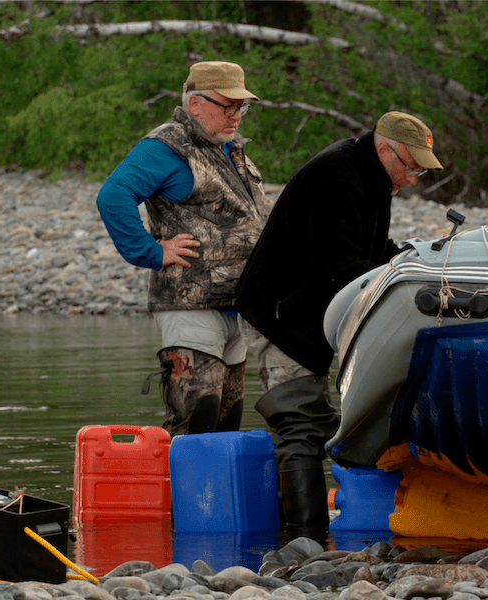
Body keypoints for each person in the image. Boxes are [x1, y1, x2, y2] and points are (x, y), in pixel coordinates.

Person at [235, 111, 443, 527]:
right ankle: (305, 537)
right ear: (386, 149)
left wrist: (409, 260)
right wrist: (389, 282)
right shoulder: (337, 176)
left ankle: (307, 525)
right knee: (299, 423)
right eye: (413, 166)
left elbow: (362, 245)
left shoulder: (374, 175)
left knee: (319, 420)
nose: (415, 178)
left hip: (311, 310)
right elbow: (336, 262)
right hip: (281, 310)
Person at [96, 61, 272, 437]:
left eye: (241, 107)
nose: (237, 115)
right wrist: (153, 252)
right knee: (196, 422)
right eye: (227, 105)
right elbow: (113, 196)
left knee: (227, 423)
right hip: (191, 307)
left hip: (237, 306)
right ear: (195, 104)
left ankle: (219, 498)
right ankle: (181, 498)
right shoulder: (166, 147)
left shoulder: (230, 150)